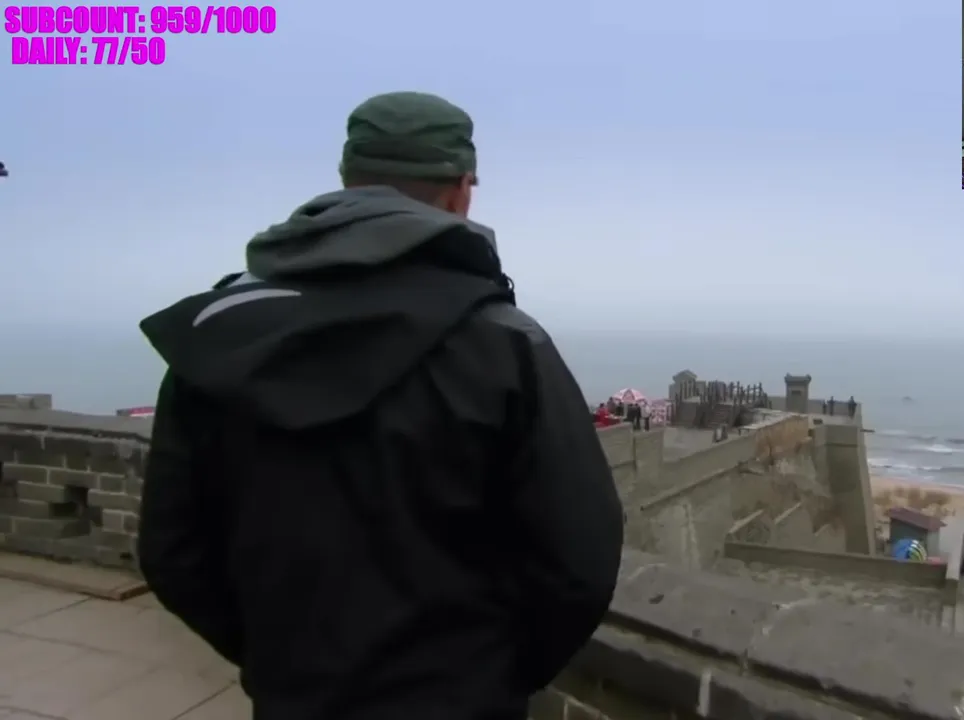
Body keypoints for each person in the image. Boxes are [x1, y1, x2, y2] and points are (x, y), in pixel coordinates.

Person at [136, 91, 625, 720]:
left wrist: (277, 660)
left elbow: (174, 552)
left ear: (348, 177)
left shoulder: (223, 338)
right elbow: (579, 562)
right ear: (462, 190)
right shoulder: (504, 345)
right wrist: (491, 674)